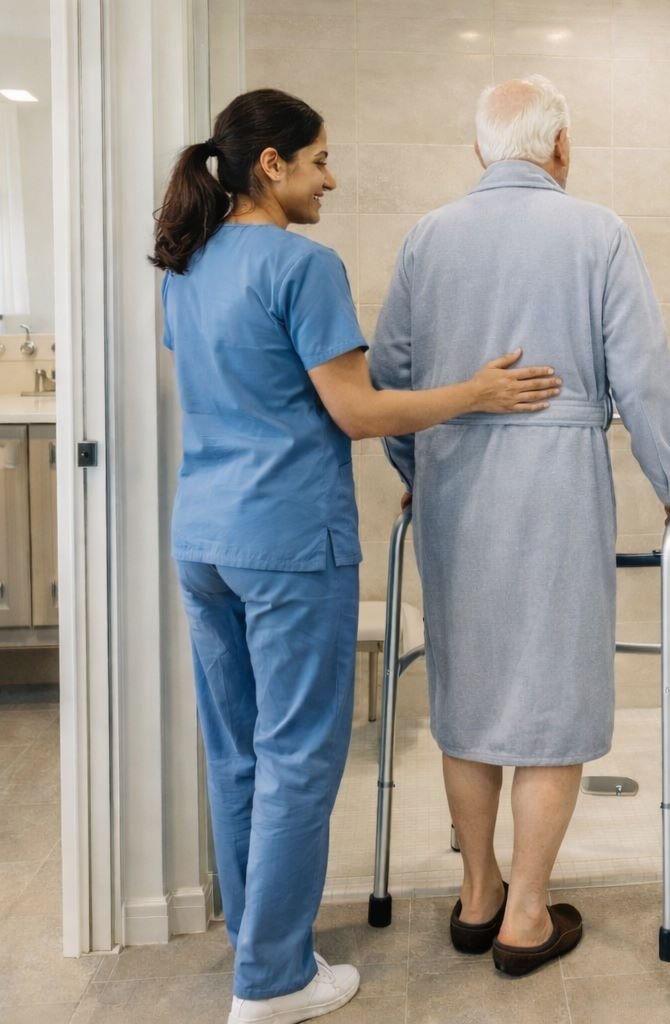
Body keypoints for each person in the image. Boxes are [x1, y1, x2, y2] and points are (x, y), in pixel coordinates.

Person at [151, 88, 560, 1024]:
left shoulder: (185, 267)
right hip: (288, 542)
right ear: (272, 165)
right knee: (299, 757)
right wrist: (477, 394)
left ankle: (259, 943)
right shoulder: (303, 266)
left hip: (204, 537)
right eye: (321, 161)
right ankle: (273, 983)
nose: (331, 180)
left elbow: (226, 390)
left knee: (240, 752)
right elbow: (359, 411)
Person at [369, 75, 670, 976]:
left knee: (469, 698)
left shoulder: (428, 237)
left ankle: (476, 895)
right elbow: (642, 376)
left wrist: (418, 476)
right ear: (558, 147)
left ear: (482, 151)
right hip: (557, 488)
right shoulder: (597, 231)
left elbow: (390, 380)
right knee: (551, 702)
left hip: (454, 492)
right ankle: (526, 914)